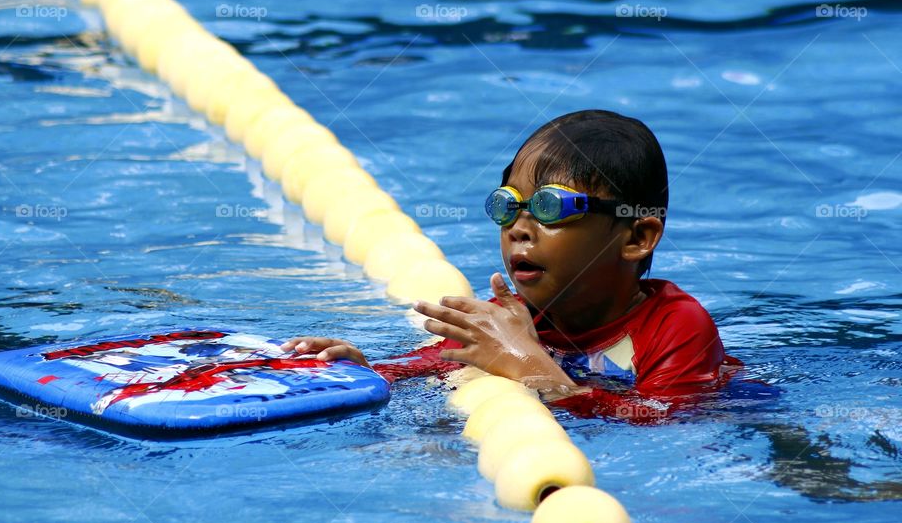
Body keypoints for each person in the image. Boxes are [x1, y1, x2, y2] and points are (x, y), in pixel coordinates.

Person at [281, 110, 741, 420]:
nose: (519, 228)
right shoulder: (515, 318)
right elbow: (429, 366)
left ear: (636, 238)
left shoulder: (677, 327)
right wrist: (366, 370)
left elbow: (661, 422)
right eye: (509, 206)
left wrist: (525, 363)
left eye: (551, 208)